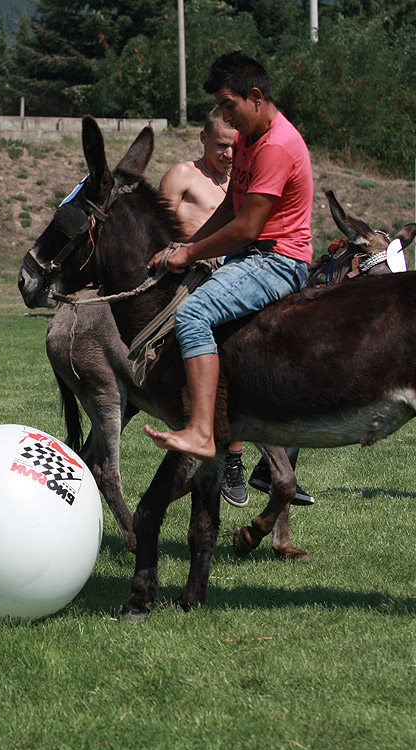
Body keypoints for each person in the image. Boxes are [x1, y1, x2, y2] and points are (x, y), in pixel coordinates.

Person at [143, 51, 313, 463]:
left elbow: (246, 228)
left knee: (193, 315)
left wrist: (191, 254)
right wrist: (184, 249)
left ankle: (202, 431)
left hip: (278, 261)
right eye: (220, 107)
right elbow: (229, 209)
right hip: (252, 255)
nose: (226, 117)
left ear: (255, 96)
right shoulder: (249, 140)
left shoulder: (276, 146)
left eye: (228, 105)